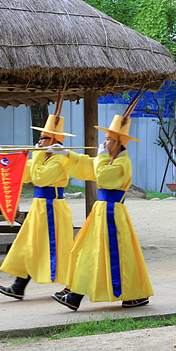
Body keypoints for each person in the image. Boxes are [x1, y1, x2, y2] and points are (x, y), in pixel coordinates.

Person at [49, 91, 154, 310]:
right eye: (105, 138)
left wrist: (101, 156)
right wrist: (66, 153)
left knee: (115, 254)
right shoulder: (108, 159)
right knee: (84, 249)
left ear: (119, 144)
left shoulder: (122, 163)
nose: (104, 142)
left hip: (112, 214)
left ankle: (129, 294)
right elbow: (91, 167)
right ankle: (74, 294)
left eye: (108, 139)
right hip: (101, 212)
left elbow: (103, 177)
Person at [0, 104, 75, 300]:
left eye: (43, 139)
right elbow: (22, 171)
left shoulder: (59, 160)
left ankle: (73, 286)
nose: (38, 142)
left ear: (54, 141)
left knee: (59, 249)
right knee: (27, 245)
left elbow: (39, 177)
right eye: (39, 138)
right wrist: (0, 156)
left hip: (52, 209)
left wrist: (38, 153)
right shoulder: (43, 158)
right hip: (40, 208)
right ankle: (18, 286)